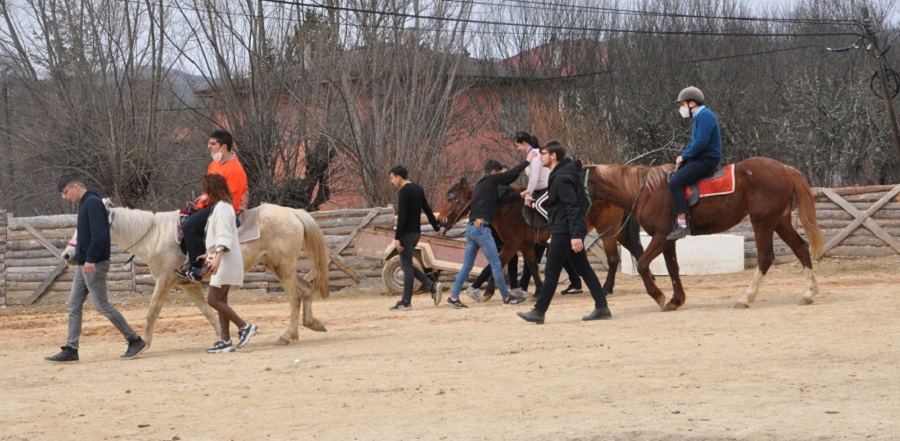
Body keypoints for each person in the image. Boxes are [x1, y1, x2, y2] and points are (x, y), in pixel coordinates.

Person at [45, 175, 147, 363]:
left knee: (102, 305)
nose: (64, 197)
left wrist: (91, 259)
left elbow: (100, 234)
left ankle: (134, 340)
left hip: (94, 263)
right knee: (73, 304)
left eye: (65, 192)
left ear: (75, 186)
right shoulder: (85, 204)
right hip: (83, 264)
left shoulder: (92, 203)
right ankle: (71, 349)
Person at [517, 141, 611, 324]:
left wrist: (575, 235)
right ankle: (602, 307)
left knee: (551, 271)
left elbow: (572, 207)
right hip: (564, 229)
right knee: (584, 268)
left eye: (543, 153)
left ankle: (539, 311)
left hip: (565, 231)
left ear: (553, 156)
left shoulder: (561, 178)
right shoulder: (562, 174)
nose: (539, 156)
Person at [442, 159, 529, 308]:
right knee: (496, 263)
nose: (502, 176)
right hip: (482, 229)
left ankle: (453, 298)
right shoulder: (490, 180)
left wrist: (519, 196)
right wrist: (528, 161)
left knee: (467, 266)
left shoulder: (482, 187)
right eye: (500, 173)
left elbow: (500, 200)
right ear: (494, 172)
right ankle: (507, 298)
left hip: (471, 229)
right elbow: (512, 174)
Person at [175, 129, 248, 283]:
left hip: (224, 209)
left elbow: (231, 200)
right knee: (184, 219)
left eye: (213, 144)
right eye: (209, 143)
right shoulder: (214, 164)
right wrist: (200, 204)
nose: (209, 146)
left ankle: (195, 269)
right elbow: (207, 191)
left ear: (224, 147)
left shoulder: (235, 170)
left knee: (189, 225)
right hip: (212, 205)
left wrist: (208, 200)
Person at [199, 174, 257, 353]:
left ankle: (244, 326)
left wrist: (216, 258)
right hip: (222, 260)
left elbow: (224, 236)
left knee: (213, 299)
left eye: (206, 190)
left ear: (212, 189)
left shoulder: (223, 208)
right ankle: (225, 341)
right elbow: (218, 238)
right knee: (221, 300)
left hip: (225, 261)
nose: (205, 194)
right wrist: (208, 255)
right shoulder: (220, 207)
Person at [667, 86, 723, 240]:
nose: (681, 108)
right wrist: (684, 156)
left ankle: (682, 224)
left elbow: (701, 142)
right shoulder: (699, 117)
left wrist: (685, 157)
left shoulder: (706, 116)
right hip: (700, 158)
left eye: (682, 104)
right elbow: (694, 142)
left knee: (675, 183)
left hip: (707, 159)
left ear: (692, 104)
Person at [388, 165, 444, 311]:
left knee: (406, 267)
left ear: (399, 177)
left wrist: (397, 237)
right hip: (416, 234)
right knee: (407, 264)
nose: (392, 181)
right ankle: (431, 285)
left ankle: (406, 302)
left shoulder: (404, 192)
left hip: (406, 234)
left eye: (392, 178)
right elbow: (427, 209)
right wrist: (437, 227)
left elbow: (402, 217)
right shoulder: (418, 189)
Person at [515, 131, 550, 219]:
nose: (517, 149)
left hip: (548, 188)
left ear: (524, 143)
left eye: (518, 146)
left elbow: (534, 178)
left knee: (538, 205)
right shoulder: (530, 156)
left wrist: (528, 195)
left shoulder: (535, 155)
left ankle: (556, 226)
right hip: (539, 190)